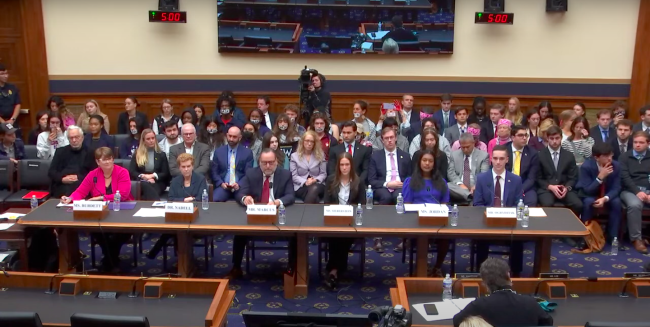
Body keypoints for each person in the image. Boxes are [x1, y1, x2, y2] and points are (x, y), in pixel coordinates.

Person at [60, 147, 134, 272]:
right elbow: (81, 192)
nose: (107, 162)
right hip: (100, 214)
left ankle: (108, 261)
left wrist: (100, 198)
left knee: (120, 233)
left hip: (123, 211)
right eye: (103, 160)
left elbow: (123, 195)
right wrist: (70, 198)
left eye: (109, 159)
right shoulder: (93, 174)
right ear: (97, 162)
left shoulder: (122, 172)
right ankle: (113, 262)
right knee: (97, 230)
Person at [229, 149, 295, 279]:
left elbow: (290, 196)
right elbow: (240, 193)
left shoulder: (285, 174)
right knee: (239, 233)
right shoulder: (251, 174)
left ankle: (291, 268)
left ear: (276, 162)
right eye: (264, 163)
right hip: (256, 216)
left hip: (277, 216)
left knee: (295, 234)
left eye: (271, 162)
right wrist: (245, 198)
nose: (268, 166)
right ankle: (236, 267)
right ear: (259, 162)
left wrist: (277, 202)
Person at [452, 258, 553, 327]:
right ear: (508, 276)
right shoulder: (530, 302)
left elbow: (456, 321)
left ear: (484, 283)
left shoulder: (479, 305)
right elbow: (548, 322)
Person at [473, 145, 524, 275]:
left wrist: (506, 214)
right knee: (481, 238)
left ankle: (516, 274)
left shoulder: (516, 180)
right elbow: (477, 204)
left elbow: (519, 204)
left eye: (501, 158)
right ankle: (481, 272)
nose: (498, 162)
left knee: (518, 239)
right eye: (495, 158)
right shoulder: (482, 178)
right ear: (491, 159)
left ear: (507, 159)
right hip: (487, 221)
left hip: (508, 222)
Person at [148, 153, 208, 259]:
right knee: (176, 229)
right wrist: (185, 200)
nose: (186, 169)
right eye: (183, 167)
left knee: (175, 231)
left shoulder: (201, 179)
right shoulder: (175, 181)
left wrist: (183, 201)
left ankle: (182, 259)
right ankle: (183, 260)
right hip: (178, 215)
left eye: (188, 166)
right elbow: (171, 199)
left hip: (196, 217)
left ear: (192, 166)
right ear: (179, 168)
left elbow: (200, 199)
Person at [402, 149, 450, 276]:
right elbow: (407, 205)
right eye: (424, 160)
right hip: (416, 221)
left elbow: (445, 204)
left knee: (445, 238)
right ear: (419, 162)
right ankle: (421, 268)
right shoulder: (410, 181)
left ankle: (437, 267)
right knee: (421, 237)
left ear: (434, 163)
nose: (427, 163)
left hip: (436, 221)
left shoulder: (441, 182)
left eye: (430, 161)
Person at [323, 152, 364, 289]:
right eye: (342, 164)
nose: (344, 167)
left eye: (347, 164)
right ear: (338, 166)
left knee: (344, 236)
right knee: (336, 235)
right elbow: (326, 202)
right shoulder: (330, 180)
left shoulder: (358, 182)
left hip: (351, 221)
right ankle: (338, 269)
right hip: (334, 219)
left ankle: (332, 269)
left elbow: (362, 204)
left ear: (351, 166)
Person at [577, 143, 622, 242]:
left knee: (617, 202)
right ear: (596, 157)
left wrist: (605, 198)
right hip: (590, 194)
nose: (610, 158)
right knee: (588, 202)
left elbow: (616, 187)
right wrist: (600, 177)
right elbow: (587, 189)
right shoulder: (587, 166)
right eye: (606, 156)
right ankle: (584, 237)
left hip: (607, 194)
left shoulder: (616, 166)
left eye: (611, 155)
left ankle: (613, 237)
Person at [536, 126, 582, 216]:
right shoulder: (540, 155)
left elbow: (573, 177)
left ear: (561, 138)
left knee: (578, 204)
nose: (554, 141)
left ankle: (571, 228)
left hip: (564, 188)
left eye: (557, 138)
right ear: (547, 139)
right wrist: (550, 187)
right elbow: (538, 178)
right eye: (551, 138)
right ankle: (549, 228)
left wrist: (567, 188)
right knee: (547, 204)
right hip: (547, 189)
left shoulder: (569, 156)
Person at [618, 131, 650, 253]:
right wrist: (637, 192)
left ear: (648, 143)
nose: (637, 145)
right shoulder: (625, 157)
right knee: (635, 205)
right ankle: (637, 239)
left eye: (641, 142)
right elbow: (625, 178)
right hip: (629, 190)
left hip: (648, 190)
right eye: (635, 142)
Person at [369, 128, 412, 205]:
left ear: (396, 138)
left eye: (391, 137)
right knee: (386, 197)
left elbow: (410, 177)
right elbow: (372, 180)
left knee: (398, 196)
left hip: (400, 186)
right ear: (382, 140)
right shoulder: (375, 156)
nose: (389, 140)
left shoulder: (405, 156)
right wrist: (387, 184)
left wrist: (403, 184)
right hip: (382, 187)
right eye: (386, 138)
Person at [47, 126, 93, 198]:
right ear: (68, 139)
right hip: (62, 185)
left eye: (76, 137)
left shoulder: (90, 152)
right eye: (71, 138)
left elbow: (94, 173)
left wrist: (78, 177)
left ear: (82, 138)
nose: (74, 140)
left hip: (82, 185)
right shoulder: (60, 151)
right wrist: (62, 179)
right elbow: (51, 172)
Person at [211, 126, 254, 202]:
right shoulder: (218, 152)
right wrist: (221, 183)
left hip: (240, 187)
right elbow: (214, 172)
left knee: (245, 201)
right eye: (229, 136)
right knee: (214, 199)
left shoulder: (247, 153)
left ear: (240, 137)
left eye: (234, 137)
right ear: (226, 135)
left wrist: (239, 184)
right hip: (223, 187)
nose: (231, 139)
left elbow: (248, 173)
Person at [128, 129, 170, 201]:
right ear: (143, 141)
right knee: (145, 185)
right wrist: (143, 177)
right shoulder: (137, 154)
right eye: (148, 139)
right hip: (142, 181)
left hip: (157, 182)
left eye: (153, 138)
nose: (151, 140)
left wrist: (153, 176)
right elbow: (132, 171)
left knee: (148, 189)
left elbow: (165, 173)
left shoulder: (161, 154)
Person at [447, 133, 489, 201]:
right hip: (459, 187)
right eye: (463, 147)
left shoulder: (483, 156)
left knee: (485, 185)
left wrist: (476, 185)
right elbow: (450, 172)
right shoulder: (454, 155)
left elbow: (484, 174)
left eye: (468, 147)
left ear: (473, 143)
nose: (465, 149)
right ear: (460, 144)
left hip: (476, 185)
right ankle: (469, 196)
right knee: (447, 185)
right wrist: (460, 184)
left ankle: (466, 196)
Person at [328, 121, 372, 185]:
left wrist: (358, 182)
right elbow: (331, 170)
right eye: (344, 133)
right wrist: (340, 182)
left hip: (358, 184)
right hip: (338, 184)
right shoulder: (334, 150)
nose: (346, 135)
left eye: (349, 133)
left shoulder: (364, 150)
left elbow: (366, 170)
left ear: (355, 133)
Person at [505, 125, 539, 206]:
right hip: (506, 184)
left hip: (525, 186)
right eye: (520, 135)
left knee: (531, 201)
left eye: (526, 135)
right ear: (512, 137)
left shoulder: (533, 153)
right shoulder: (504, 150)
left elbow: (531, 178)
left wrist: (521, 189)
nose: (524, 138)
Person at [290, 131, 326, 203]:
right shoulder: (294, 156)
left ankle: (303, 213)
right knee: (314, 197)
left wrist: (314, 180)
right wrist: (305, 182)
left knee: (314, 188)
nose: (309, 144)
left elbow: (323, 174)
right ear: (302, 142)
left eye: (312, 142)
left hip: (317, 184)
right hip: (301, 186)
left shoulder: (320, 155)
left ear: (314, 143)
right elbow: (294, 175)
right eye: (307, 141)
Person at [0, 64, 21, 133]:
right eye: (2, 74)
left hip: (12, 120)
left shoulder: (12, 87)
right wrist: (3, 122)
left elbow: (18, 104)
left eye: (6, 73)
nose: (6, 76)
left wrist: (12, 119)